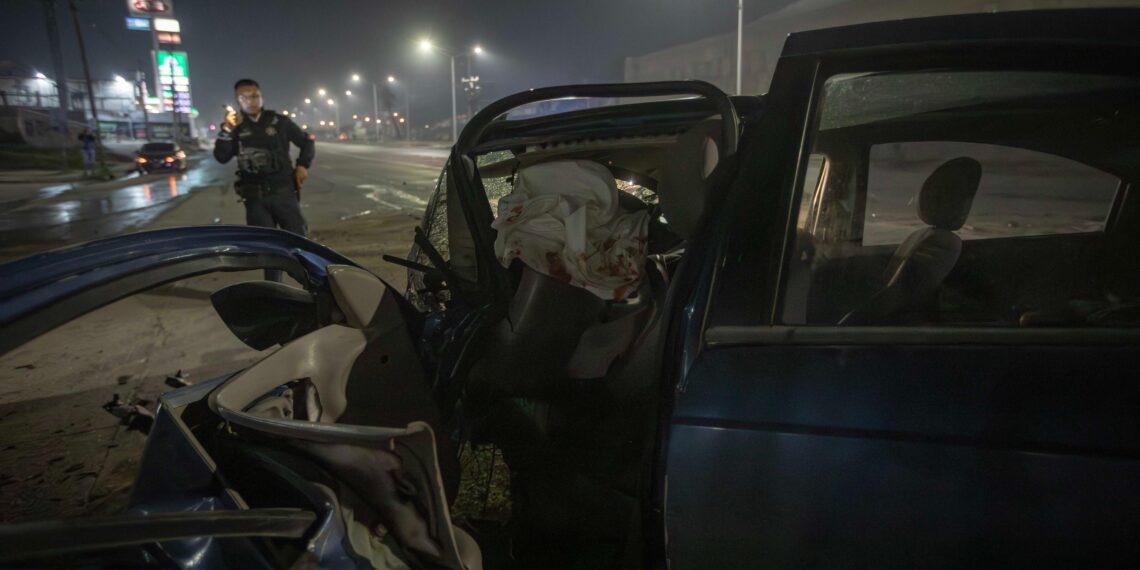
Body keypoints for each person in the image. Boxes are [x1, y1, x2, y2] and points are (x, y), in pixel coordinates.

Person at [214, 78, 314, 241]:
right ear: (238, 101)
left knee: (298, 243)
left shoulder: (279, 122)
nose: (250, 101)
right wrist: (226, 130)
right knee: (267, 249)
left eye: (254, 96)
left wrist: (302, 165)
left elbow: (307, 142)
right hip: (255, 199)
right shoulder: (235, 127)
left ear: (261, 97)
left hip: (284, 193)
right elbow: (221, 157)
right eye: (243, 97)